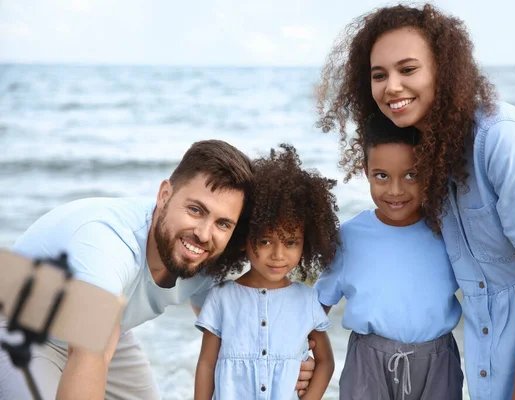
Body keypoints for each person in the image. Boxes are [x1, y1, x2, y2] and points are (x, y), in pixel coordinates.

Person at [315, 3, 515, 400]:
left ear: (443, 71)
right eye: (379, 75)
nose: (391, 86)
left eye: (408, 69)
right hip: (497, 338)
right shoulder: (430, 153)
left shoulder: (503, 140)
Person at [0, 140, 315, 400]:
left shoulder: (207, 256)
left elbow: (236, 338)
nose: (204, 234)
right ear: (165, 194)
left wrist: (286, 361)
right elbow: (88, 356)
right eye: (195, 210)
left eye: (223, 223)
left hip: (110, 329)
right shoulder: (108, 245)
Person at [314, 114, 463, 400]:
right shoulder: (349, 236)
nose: (395, 190)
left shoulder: (448, 231)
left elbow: (483, 293)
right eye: (381, 176)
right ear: (365, 170)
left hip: (438, 362)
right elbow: (320, 303)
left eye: (411, 175)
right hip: (367, 363)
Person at [194, 144, 337, 400]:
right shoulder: (222, 298)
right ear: (244, 238)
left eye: (291, 242)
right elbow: (206, 365)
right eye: (265, 241)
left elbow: (326, 362)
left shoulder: (307, 300)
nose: (278, 255)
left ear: (307, 243)